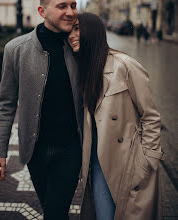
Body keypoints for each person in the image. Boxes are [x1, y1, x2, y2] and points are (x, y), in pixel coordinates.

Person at [0, 0, 82, 220]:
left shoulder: (80, 46)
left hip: (72, 149)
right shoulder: (16, 49)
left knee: (55, 211)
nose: (71, 12)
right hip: (35, 151)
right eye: (62, 6)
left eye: (73, 5)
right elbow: (5, 103)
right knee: (50, 206)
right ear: (42, 11)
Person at [68, 12, 165, 220]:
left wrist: (148, 160)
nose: (71, 35)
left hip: (127, 163)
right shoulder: (83, 68)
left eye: (77, 29)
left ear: (91, 32)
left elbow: (151, 116)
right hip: (97, 162)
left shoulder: (125, 65)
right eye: (70, 30)